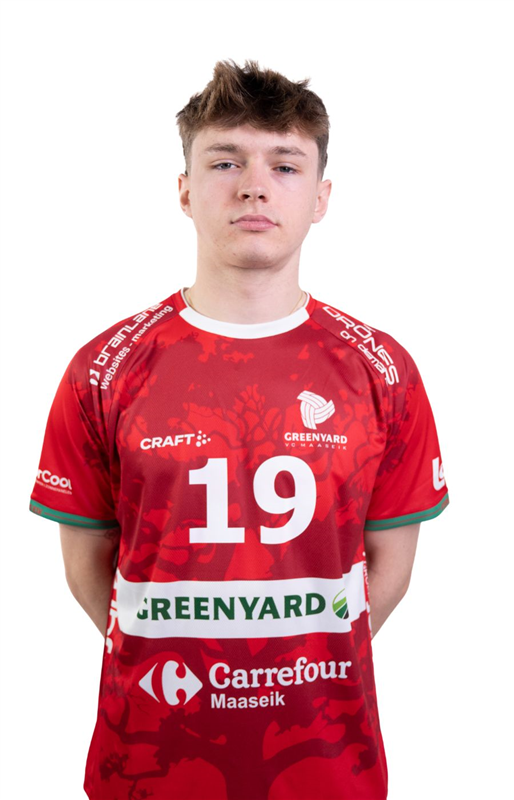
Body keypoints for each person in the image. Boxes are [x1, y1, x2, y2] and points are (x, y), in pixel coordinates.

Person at [29, 58, 449, 800]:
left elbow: (390, 569)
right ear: (184, 190)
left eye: (284, 165)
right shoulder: (104, 368)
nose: (254, 185)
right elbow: (87, 566)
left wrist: (299, 659)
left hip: (327, 773)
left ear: (320, 198)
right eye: (225, 161)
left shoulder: (382, 369)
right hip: (148, 769)